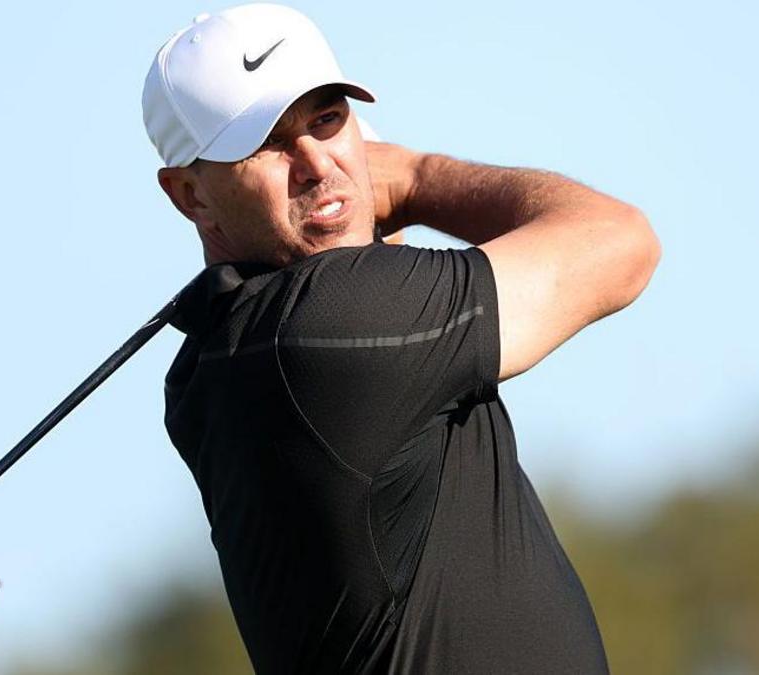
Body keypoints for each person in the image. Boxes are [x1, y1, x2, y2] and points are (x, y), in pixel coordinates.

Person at [142, 4, 659, 673]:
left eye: (328, 119)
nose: (316, 164)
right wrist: (415, 176)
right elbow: (622, 243)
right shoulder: (332, 326)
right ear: (191, 194)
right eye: (267, 142)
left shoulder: (225, 354)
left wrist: (364, 219)